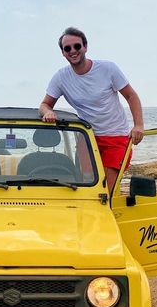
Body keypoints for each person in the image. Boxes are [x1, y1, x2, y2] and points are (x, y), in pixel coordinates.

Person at [39, 27, 144, 193]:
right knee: (86, 189)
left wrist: (138, 125)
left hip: (116, 137)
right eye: (67, 48)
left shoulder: (108, 68)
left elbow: (131, 96)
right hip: (87, 138)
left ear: (85, 47)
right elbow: (44, 104)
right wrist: (48, 112)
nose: (73, 51)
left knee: (105, 192)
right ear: (63, 53)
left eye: (77, 46)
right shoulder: (61, 77)